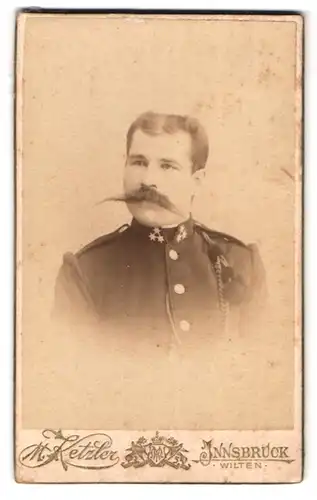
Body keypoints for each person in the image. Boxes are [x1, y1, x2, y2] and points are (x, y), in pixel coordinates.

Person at [54, 111, 266, 349]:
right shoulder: (84, 272)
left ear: (196, 181)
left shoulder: (241, 263)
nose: (148, 179)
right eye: (138, 162)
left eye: (167, 166)